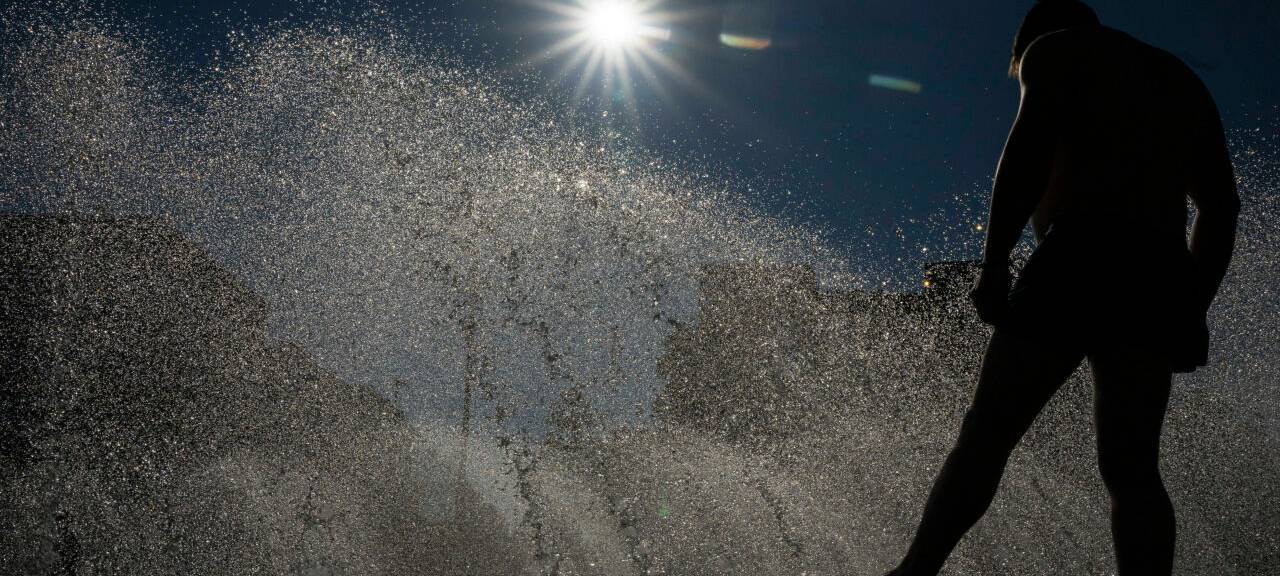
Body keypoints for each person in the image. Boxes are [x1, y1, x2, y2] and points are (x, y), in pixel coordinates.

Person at [883, 1, 1240, 575]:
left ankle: (914, 572)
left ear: (1028, 42)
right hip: (1157, 269)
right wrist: (1191, 305)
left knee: (988, 433)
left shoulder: (1056, 50)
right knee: (1132, 468)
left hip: (1082, 252)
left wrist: (995, 264)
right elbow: (1221, 207)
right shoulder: (1180, 79)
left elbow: (1028, 149)